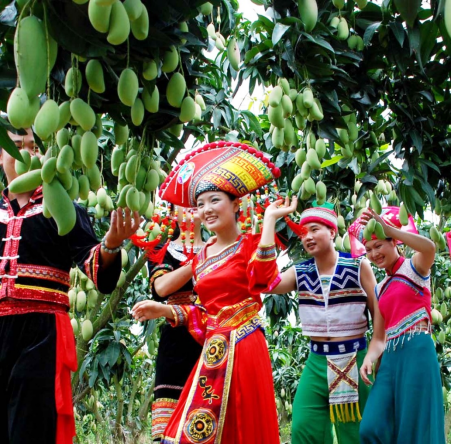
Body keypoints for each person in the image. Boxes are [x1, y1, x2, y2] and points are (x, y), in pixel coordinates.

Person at [132, 140, 296, 443]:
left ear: (235, 204)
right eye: (201, 203)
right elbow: (204, 313)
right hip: (213, 348)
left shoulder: (250, 244)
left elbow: (264, 281)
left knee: (241, 428)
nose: (206, 209)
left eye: (214, 200)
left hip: (245, 344)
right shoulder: (202, 256)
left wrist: (271, 221)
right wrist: (164, 310)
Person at [0, 129, 140, 444]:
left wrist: (112, 245)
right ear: (0, 155)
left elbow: (95, 268)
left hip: (41, 336)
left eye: (35, 147)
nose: (26, 154)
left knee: (31, 428)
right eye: (16, 146)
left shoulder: (62, 208)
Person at [269, 204, 385, 444]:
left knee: (357, 433)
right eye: (303, 233)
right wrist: (270, 220)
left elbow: (379, 314)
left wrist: (374, 354)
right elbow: (266, 283)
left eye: (314, 229)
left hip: (355, 359)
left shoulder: (358, 265)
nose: (307, 237)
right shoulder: (299, 272)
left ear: (332, 231)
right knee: (303, 428)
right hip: (316, 362)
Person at [348, 207, 446, 444]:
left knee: (416, 428)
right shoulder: (379, 288)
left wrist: (389, 227)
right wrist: (370, 358)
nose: (374, 254)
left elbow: (430, 247)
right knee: (370, 427)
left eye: (379, 245)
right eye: (369, 250)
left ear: (394, 242)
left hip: (417, 352)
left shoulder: (415, 268)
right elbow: (379, 338)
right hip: (390, 360)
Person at [144, 206, 204, 441]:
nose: (192, 207)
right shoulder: (161, 249)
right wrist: (200, 260)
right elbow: (160, 288)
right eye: (184, 202)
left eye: (197, 200)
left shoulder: (223, 245)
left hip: (215, 339)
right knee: (171, 431)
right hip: (176, 344)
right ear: (171, 213)